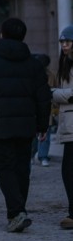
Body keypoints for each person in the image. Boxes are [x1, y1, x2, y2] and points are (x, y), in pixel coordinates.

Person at [0, 18, 51, 233]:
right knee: (22, 168)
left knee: (4, 168)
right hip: (26, 126)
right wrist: (42, 124)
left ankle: (16, 212)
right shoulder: (34, 64)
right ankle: (19, 210)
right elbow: (43, 97)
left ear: (1, 35)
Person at [51, 25, 73, 229]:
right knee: (67, 170)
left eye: (68, 41)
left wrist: (55, 93)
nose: (65, 45)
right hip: (68, 123)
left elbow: (69, 93)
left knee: (69, 170)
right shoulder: (65, 63)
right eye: (62, 41)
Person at [31, 53, 55, 167]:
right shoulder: (31, 75)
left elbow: (54, 91)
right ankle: (33, 155)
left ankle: (43, 156)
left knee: (45, 134)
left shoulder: (50, 75)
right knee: (34, 136)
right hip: (34, 109)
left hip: (46, 108)